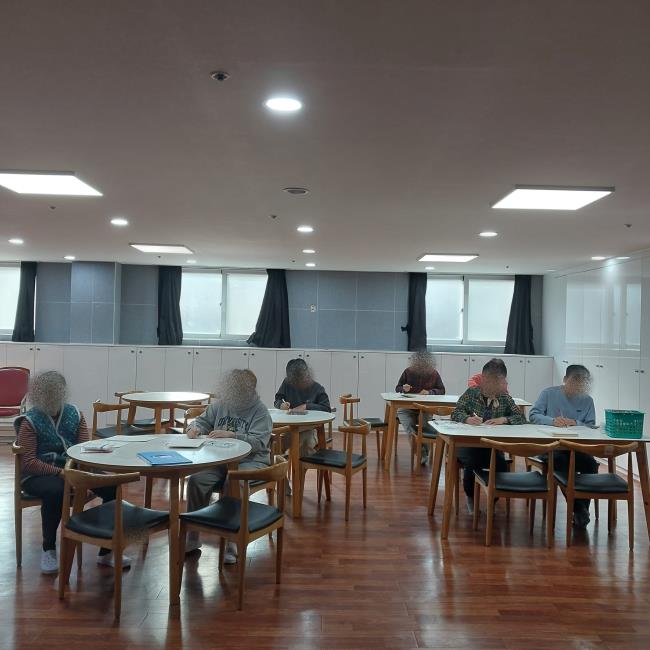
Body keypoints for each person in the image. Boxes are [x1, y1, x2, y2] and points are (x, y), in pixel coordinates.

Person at [15, 371, 125, 575]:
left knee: (111, 486)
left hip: (75, 467)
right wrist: (61, 473)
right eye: (45, 392)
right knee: (56, 490)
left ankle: (106, 550)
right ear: (37, 394)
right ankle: (49, 548)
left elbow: (83, 448)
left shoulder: (75, 414)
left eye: (53, 392)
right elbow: (28, 463)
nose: (49, 396)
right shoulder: (29, 421)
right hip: (38, 474)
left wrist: (84, 471)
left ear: (62, 393)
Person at [185, 368, 272, 563]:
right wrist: (194, 429)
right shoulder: (221, 404)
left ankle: (232, 541)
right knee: (196, 481)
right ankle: (192, 537)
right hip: (221, 460)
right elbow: (201, 421)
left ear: (249, 391)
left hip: (251, 461)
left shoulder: (260, 411)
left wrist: (234, 435)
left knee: (232, 484)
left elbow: (259, 442)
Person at [451, 358, 526, 511]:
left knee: (501, 465)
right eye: (491, 381)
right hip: (468, 445)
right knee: (473, 461)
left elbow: (521, 417)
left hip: (492, 446)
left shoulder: (504, 398)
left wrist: (504, 419)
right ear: (483, 379)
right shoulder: (472, 393)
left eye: (499, 381)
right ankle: (470, 497)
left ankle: (494, 498)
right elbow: (456, 412)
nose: (496, 385)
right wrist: (467, 419)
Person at [528, 364, 597, 528]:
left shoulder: (587, 400)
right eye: (574, 381)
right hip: (551, 448)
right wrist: (552, 421)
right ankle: (578, 509)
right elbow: (533, 415)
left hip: (576, 448)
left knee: (590, 464)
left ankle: (581, 510)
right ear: (565, 379)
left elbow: (591, 425)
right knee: (561, 463)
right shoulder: (548, 393)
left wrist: (575, 423)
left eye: (582, 382)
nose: (578, 385)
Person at [395, 350, 446, 466]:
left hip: (425, 408)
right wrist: (403, 389)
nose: (421, 366)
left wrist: (430, 392)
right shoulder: (408, 372)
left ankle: (425, 452)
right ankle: (421, 453)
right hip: (407, 408)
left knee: (425, 427)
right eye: (419, 364)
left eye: (424, 364)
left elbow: (442, 390)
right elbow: (397, 388)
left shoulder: (434, 374)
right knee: (409, 428)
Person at [274, 358, 331, 457]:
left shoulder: (317, 389)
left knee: (303, 445)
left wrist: (306, 406)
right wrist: (281, 405)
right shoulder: (287, 383)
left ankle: (297, 466)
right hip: (289, 427)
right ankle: (281, 464)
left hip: (309, 429)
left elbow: (327, 409)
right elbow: (277, 399)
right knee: (273, 441)